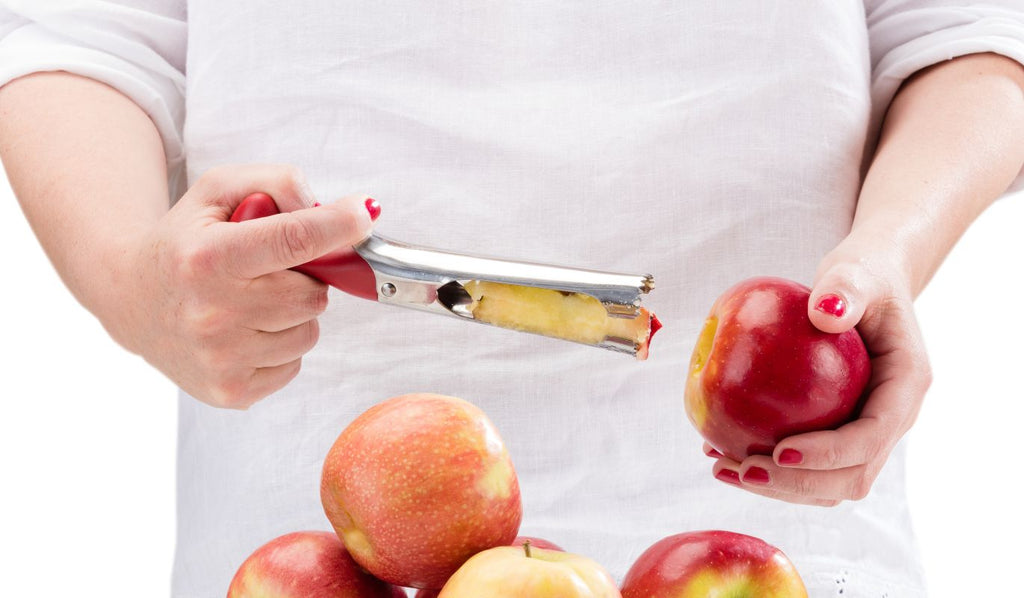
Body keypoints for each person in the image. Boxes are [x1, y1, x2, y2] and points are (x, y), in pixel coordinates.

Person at [1, 1, 1021, 596]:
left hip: (775, 531)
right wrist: (131, 274)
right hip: (319, 532)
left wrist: (888, 249)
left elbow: (972, 32)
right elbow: (74, 35)